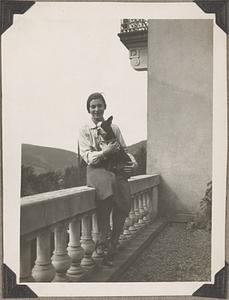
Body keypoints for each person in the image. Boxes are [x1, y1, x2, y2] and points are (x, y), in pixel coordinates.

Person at [78, 92, 137, 266]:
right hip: (96, 170)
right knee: (107, 192)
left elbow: (124, 150)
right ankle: (102, 241)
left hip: (114, 169)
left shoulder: (115, 128)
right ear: (89, 109)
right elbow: (88, 157)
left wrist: (133, 163)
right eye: (93, 106)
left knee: (125, 202)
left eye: (99, 105)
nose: (96, 109)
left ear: (105, 107)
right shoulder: (84, 130)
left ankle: (114, 240)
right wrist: (105, 152)